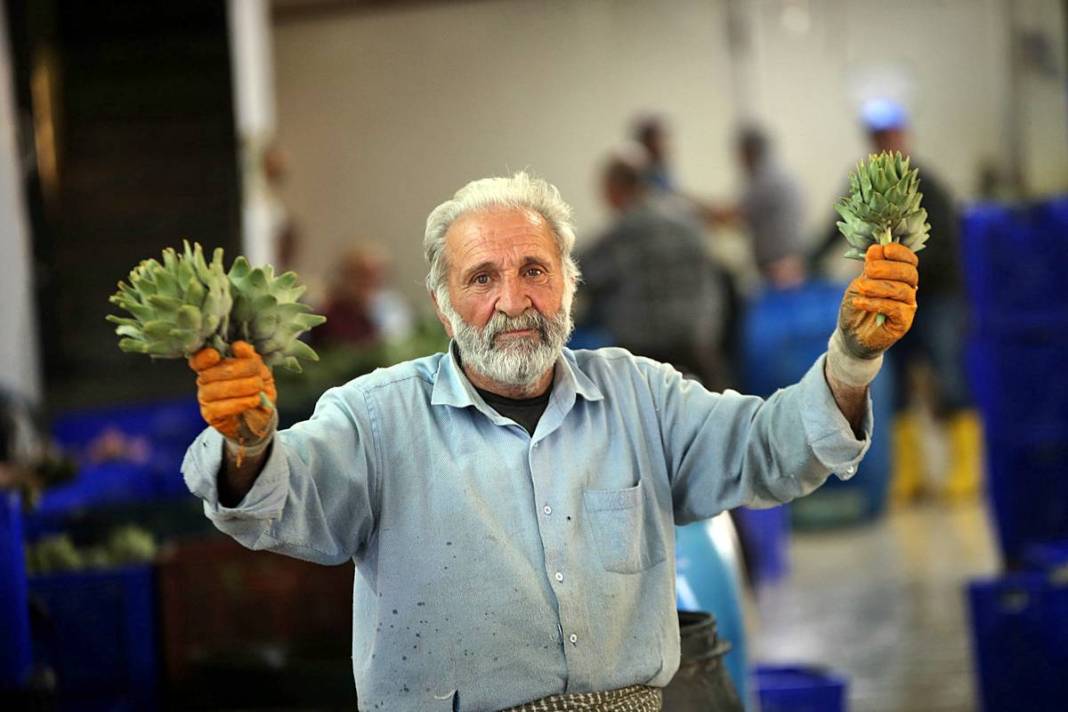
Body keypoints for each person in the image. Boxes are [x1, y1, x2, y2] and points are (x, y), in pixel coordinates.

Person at [182, 172, 919, 711]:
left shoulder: (640, 394)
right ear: (443, 307)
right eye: (482, 278)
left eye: (534, 270)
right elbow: (283, 496)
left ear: (567, 284)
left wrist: (851, 360)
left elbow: (770, 447)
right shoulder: (378, 420)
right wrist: (247, 444)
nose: (512, 301)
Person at [811, 99, 975, 500]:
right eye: (878, 138)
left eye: (892, 136)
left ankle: (966, 470)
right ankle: (911, 474)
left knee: (948, 378)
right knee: (896, 384)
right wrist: (804, 263)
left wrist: (901, 262)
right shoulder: (864, 181)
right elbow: (836, 224)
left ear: (905, 137)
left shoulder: (927, 185)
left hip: (936, 299)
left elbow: (948, 246)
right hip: (891, 304)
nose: (886, 143)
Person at [580, 147, 726, 387]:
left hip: (642, 357)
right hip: (697, 347)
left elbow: (579, 274)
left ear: (615, 187)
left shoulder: (621, 233)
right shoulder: (688, 221)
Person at [706, 127, 808, 289]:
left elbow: (734, 214)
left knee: (781, 307)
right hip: (786, 257)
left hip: (780, 263)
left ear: (749, 151)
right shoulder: (775, 173)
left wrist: (702, 212)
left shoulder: (764, 178)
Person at [315, 244, 415, 348]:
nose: (370, 281)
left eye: (376, 273)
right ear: (346, 276)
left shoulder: (394, 307)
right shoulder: (329, 315)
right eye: (361, 274)